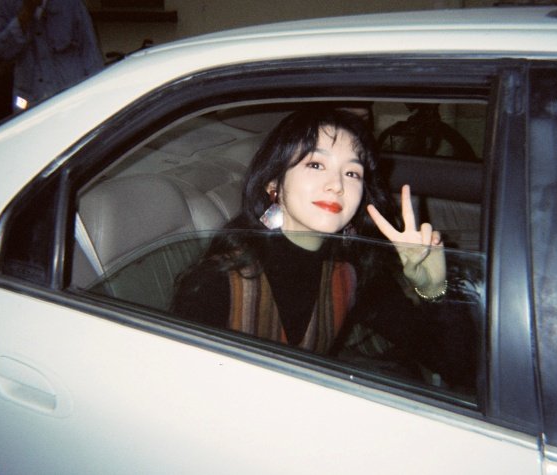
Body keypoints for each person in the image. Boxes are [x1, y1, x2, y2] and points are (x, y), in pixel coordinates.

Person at [172, 107, 477, 389]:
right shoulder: (217, 281)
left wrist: (435, 290)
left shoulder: (352, 271)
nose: (337, 185)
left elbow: (457, 368)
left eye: (352, 173)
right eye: (316, 164)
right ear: (274, 183)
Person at [0, 0, 103, 111]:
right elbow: (2, 50)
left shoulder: (70, 3)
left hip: (71, 92)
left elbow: (90, 49)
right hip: (29, 99)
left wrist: (96, 94)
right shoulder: (3, 3)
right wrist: (24, 15)